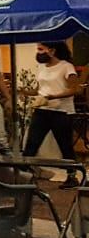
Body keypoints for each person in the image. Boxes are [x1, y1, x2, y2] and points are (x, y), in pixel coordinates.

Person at [21, 41, 82, 184]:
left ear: (52, 51)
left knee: (65, 146)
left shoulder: (66, 67)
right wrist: (23, 92)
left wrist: (53, 97)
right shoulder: (41, 67)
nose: (38, 52)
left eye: (41, 49)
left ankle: (72, 176)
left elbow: (75, 89)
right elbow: (39, 89)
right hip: (42, 111)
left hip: (61, 112)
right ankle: (23, 176)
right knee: (32, 143)